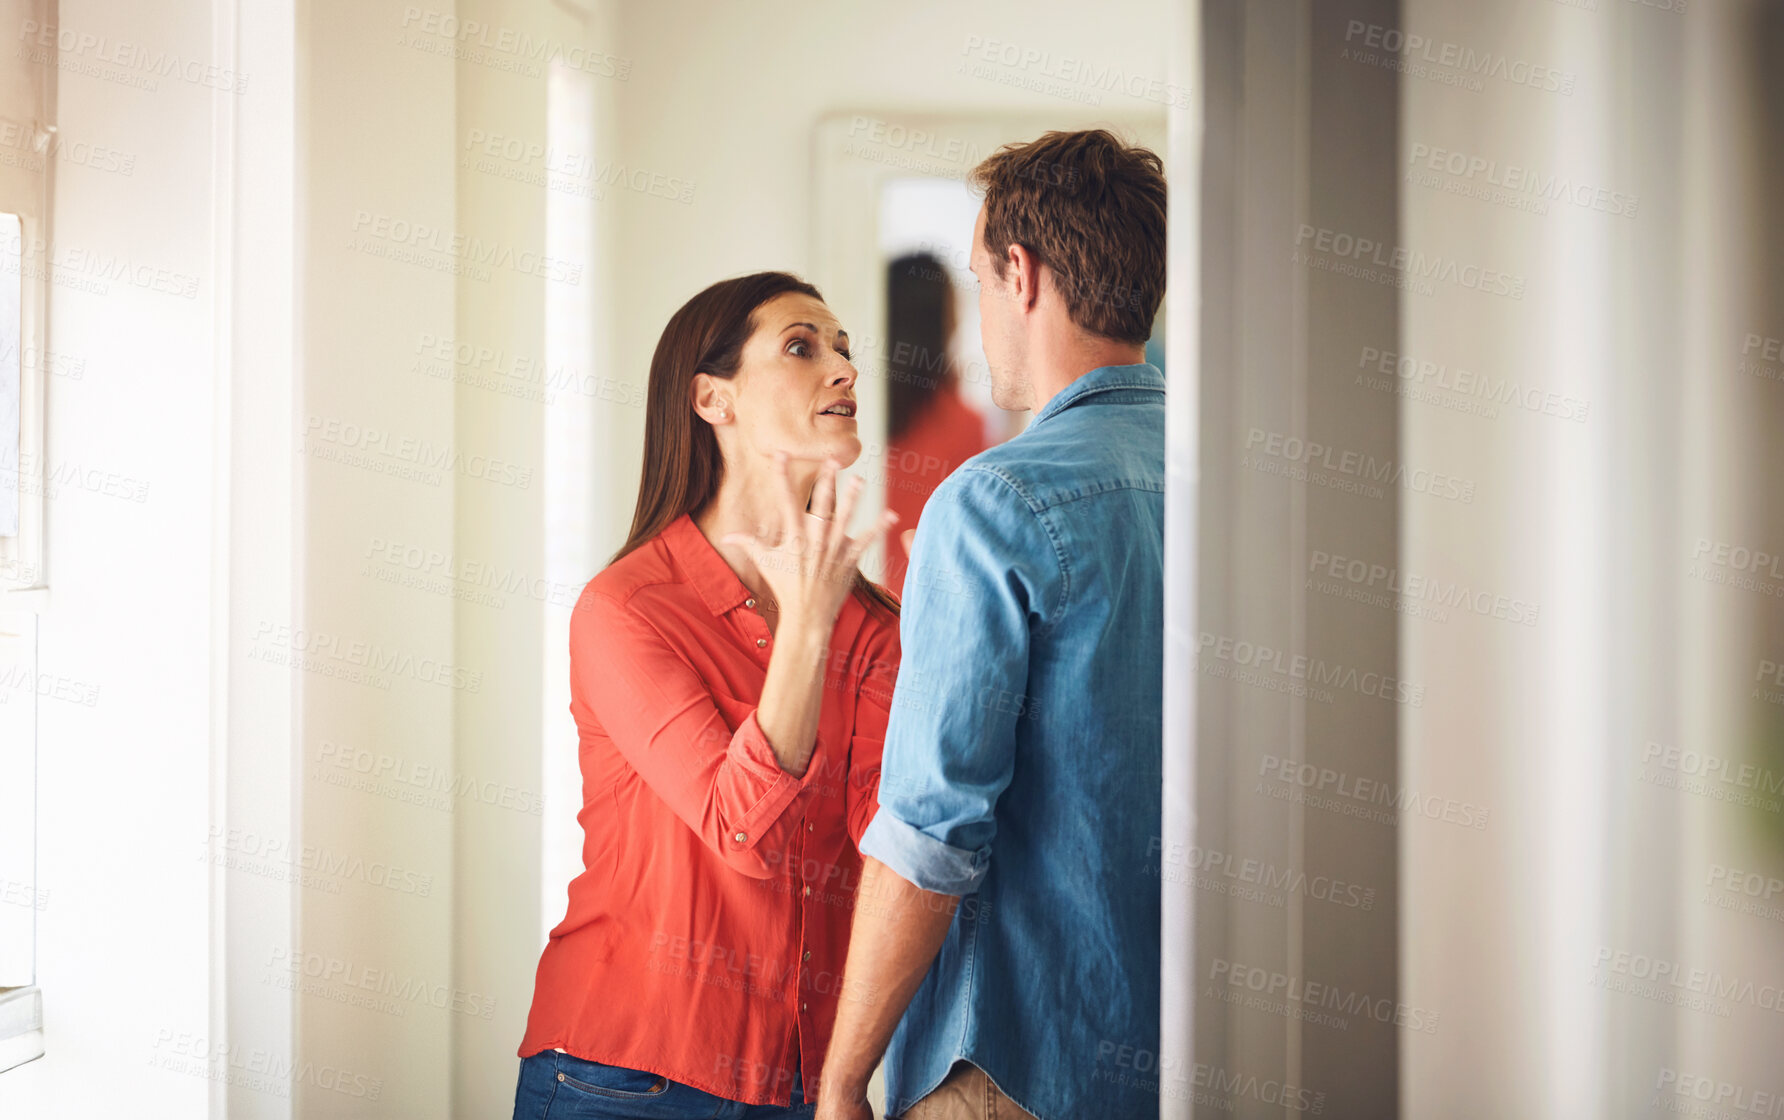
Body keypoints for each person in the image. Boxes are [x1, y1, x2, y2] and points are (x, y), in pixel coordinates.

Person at [815, 129, 1169, 1120]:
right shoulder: (1228, 483)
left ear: (1021, 272)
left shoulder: (996, 502)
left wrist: (845, 1077)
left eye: (981, 278)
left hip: (1015, 1058)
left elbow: (930, 833)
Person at [512, 272, 901, 1119]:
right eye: (802, 346)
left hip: (813, 1081)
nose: (844, 370)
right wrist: (804, 627)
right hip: (626, 1078)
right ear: (710, 399)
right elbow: (739, 824)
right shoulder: (625, 610)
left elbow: (891, 848)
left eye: (844, 350)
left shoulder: (875, 628)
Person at [881, 251, 991, 596]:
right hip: (930, 603)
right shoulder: (963, 425)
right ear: (943, 319)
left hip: (864, 607)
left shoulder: (855, 413)